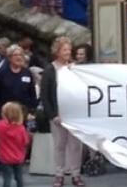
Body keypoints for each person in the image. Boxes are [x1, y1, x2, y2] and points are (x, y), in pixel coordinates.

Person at [41, 38, 83, 187]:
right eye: (64, 50)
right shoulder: (50, 70)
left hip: (74, 114)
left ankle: (76, 174)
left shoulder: (75, 68)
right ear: (57, 51)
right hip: (58, 114)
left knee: (76, 146)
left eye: (69, 50)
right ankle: (59, 174)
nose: (68, 52)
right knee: (59, 145)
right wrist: (52, 115)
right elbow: (45, 95)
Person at [0, 102, 29, 187]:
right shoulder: (21, 128)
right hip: (19, 157)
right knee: (19, 177)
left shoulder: (0, 126)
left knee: (7, 178)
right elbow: (25, 142)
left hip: (5, 157)